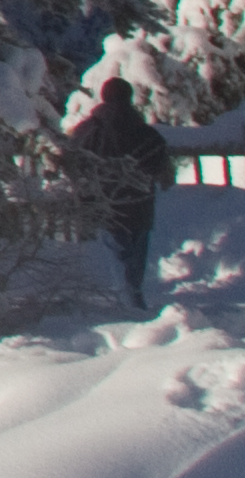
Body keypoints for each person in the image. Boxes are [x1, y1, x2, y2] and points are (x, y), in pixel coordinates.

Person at [70, 75, 171, 312]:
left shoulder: (86, 131)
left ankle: (119, 301)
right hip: (140, 205)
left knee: (112, 253)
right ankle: (133, 295)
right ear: (129, 97)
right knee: (135, 254)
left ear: (103, 97)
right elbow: (161, 166)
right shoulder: (146, 132)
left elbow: (73, 162)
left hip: (102, 204)